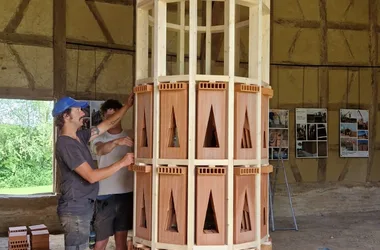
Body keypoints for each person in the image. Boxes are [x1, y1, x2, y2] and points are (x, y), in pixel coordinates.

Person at [52, 94, 134, 250]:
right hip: (75, 210)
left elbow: (108, 124)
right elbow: (91, 176)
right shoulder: (66, 144)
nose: (83, 113)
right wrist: (122, 162)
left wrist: (127, 106)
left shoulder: (80, 137)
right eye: (78, 110)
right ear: (66, 115)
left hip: (84, 205)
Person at [90, 99, 135, 250]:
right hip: (105, 195)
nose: (111, 120)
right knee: (101, 241)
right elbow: (100, 150)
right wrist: (117, 142)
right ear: (103, 118)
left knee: (121, 241)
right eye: (108, 117)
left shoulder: (132, 136)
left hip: (126, 193)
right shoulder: (98, 138)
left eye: (114, 116)